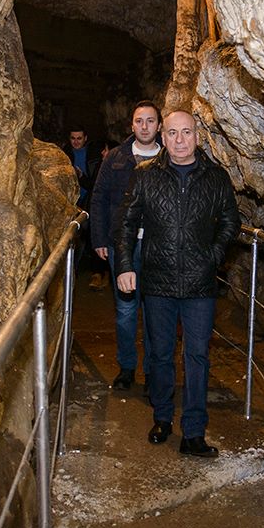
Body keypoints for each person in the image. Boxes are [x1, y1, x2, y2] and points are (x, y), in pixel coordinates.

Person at [115, 110, 240, 458]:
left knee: (197, 355)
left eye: (186, 132)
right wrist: (125, 266)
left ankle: (194, 432)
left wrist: (213, 254)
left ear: (197, 136)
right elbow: (126, 223)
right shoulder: (145, 175)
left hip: (200, 283)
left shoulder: (216, 177)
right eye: (172, 133)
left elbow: (231, 220)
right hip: (158, 279)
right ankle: (162, 418)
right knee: (160, 353)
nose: (180, 140)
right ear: (163, 137)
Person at [91, 101, 163, 391]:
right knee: (126, 310)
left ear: (159, 125)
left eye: (150, 121)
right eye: (139, 121)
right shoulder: (116, 158)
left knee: (155, 310)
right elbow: (99, 197)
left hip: (158, 246)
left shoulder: (169, 157)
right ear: (132, 125)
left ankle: (153, 371)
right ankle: (127, 367)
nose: (144, 126)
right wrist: (99, 239)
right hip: (122, 244)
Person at [62, 126, 105, 288]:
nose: (76, 142)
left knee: (93, 234)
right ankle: (71, 271)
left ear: (85, 138)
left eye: (79, 138)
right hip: (71, 201)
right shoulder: (65, 154)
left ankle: (97, 273)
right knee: (71, 236)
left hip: (90, 199)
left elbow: (96, 184)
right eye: (73, 138)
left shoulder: (94, 156)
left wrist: (80, 177)